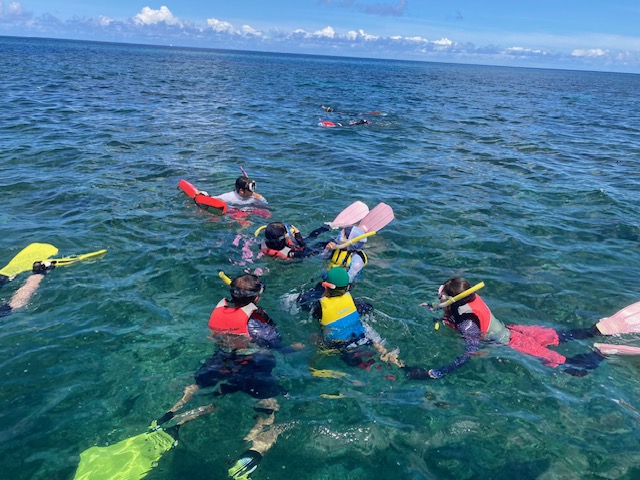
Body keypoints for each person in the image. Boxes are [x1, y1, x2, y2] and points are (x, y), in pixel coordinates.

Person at [156, 273, 301, 480]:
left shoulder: (220, 312)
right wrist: (299, 347)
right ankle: (254, 448)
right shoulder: (259, 328)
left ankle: (170, 416)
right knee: (270, 407)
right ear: (256, 297)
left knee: (196, 387)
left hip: (220, 362)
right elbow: (278, 346)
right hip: (250, 368)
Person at [405, 276, 637, 380]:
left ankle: (600, 353)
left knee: (566, 366)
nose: (439, 297)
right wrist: (434, 307)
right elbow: (450, 308)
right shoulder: (466, 301)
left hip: (513, 342)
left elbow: (471, 351)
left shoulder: (467, 322)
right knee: (558, 336)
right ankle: (592, 331)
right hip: (514, 330)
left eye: (441, 296)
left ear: (452, 299)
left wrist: (441, 371)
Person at [311, 267, 403, 369]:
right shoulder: (354, 303)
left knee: (314, 337)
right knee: (376, 343)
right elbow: (368, 308)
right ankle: (394, 360)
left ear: (325, 286)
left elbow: (318, 320)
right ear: (347, 288)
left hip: (340, 345)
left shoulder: (319, 307)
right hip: (362, 335)